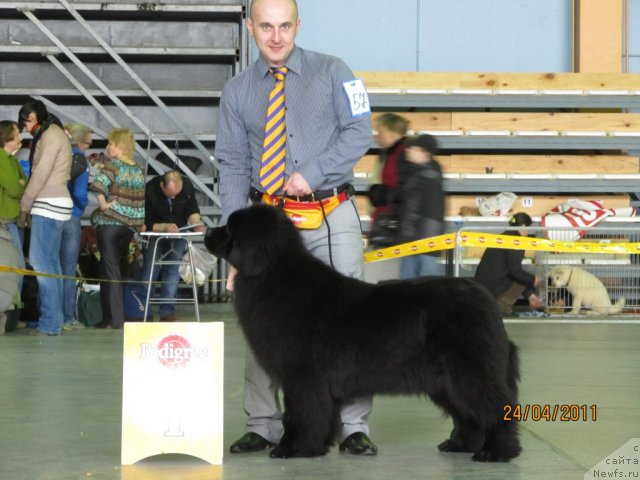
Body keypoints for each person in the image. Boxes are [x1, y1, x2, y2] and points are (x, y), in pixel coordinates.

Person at [214, 0, 377, 456]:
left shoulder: (334, 71)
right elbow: (231, 164)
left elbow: (359, 130)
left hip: (330, 211)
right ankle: (263, 422)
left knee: (348, 321)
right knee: (262, 321)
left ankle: (351, 425)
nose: (277, 36)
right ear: (250, 28)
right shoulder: (236, 91)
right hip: (265, 226)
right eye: (266, 26)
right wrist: (234, 245)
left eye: (285, 26)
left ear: (298, 25)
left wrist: (314, 171)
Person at [18, 100, 73, 336]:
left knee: (42, 265)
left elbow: (40, 174)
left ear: (37, 116)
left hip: (48, 204)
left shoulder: (50, 135)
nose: (25, 125)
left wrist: (24, 206)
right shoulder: (56, 133)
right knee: (52, 266)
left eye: (27, 120)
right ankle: (53, 319)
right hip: (58, 204)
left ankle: (50, 322)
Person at [89, 128, 145, 329]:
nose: (107, 147)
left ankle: (116, 320)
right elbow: (139, 201)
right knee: (112, 269)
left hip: (110, 225)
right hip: (128, 228)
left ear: (120, 146)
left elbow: (98, 185)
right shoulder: (138, 169)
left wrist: (104, 205)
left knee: (110, 270)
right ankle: (108, 317)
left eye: (110, 143)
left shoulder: (112, 166)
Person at [141, 170, 204, 322]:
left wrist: (197, 224)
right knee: (151, 269)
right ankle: (143, 310)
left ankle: (167, 311)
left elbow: (192, 209)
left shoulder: (187, 185)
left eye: (177, 194)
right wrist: (164, 227)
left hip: (179, 230)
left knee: (173, 269)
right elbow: (146, 221)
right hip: (155, 231)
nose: (174, 197)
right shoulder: (150, 190)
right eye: (170, 194)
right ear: (162, 185)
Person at [474, 212, 544, 316]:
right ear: (523, 226)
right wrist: (534, 280)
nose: (528, 232)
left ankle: (530, 298)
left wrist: (530, 295)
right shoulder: (515, 242)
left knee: (524, 277)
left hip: (483, 284)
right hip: (494, 286)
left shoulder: (504, 236)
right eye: (528, 228)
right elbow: (515, 272)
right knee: (524, 277)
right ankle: (502, 305)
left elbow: (512, 271)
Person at [397, 134, 445, 279]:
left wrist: (425, 245)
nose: (408, 149)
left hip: (422, 246)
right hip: (416, 244)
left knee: (423, 290)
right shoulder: (419, 175)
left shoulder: (428, 178)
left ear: (425, 153)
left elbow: (433, 216)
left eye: (414, 147)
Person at [61, 123, 92, 331]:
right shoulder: (81, 160)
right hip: (71, 216)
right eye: (89, 143)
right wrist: (79, 208)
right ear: (80, 142)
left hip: (50, 213)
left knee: (50, 268)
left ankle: (49, 315)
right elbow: (81, 194)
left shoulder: (58, 155)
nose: (88, 147)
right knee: (68, 268)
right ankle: (68, 317)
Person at [0, 120, 27, 290]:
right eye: (17, 133)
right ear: (6, 136)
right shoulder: (2, 158)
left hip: (13, 220)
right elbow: (15, 188)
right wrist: (21, 184)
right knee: (16, 267)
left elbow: (25, 183)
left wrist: (21, 184)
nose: (20, 137)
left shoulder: (12, 160)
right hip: (4, 222)